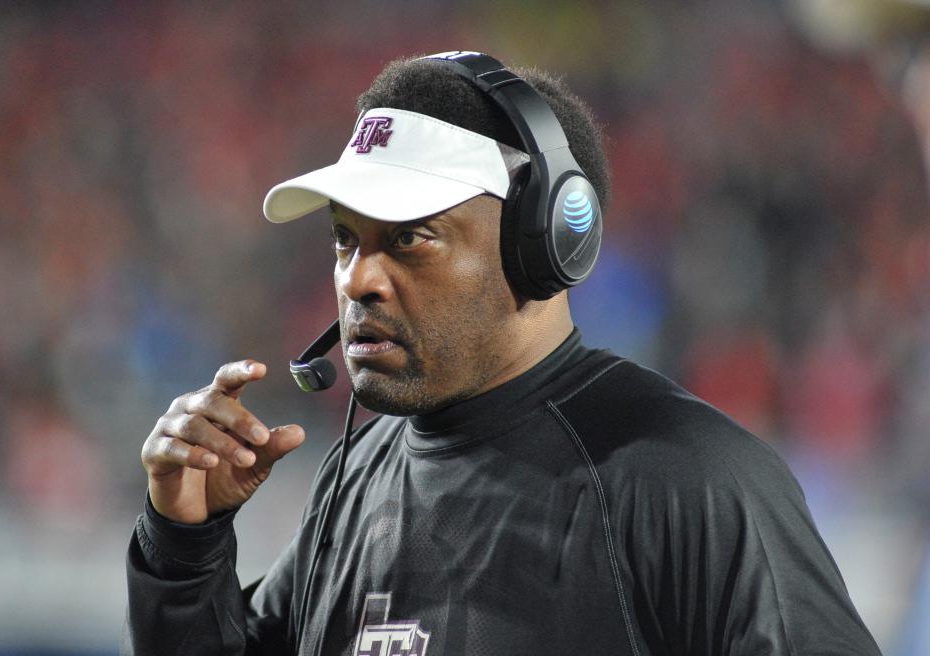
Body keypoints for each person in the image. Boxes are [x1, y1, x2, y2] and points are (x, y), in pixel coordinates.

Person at [123, 52, 881, 655]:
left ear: (545, 243)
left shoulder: (691, 484)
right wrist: (184, 543)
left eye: (408, 237)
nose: (358, 278)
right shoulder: (354, 481)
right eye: (345, 239)